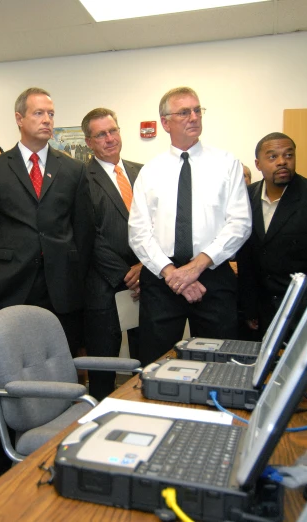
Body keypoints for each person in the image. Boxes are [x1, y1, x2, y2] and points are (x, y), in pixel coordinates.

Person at [0, 87, 94, 489]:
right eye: (38, 113)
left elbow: (83, 231)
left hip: (60, 287)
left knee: (59, 373)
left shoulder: (72, 169)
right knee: (6, 379)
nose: (47, 119)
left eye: (51, 113)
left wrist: (76, 276)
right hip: (10, 286)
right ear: (19, 118)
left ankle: (55, 450)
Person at [128, 86, 251, 367]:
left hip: (212, 274)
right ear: (165, 122)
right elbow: (138, 232)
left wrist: (196, 267)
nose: (194, 117)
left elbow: (240, 223)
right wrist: (172, 274)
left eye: (198, 110)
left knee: (219, 361)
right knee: (156, 363)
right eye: (184, 112)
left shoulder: (226, 164)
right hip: (162, 278)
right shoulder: (150, 172)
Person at [237, 132, 307, 334]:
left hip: (305, 312)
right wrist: (248, 307)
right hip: (260, 313)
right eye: (272, 157)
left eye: (289, 155)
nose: (282, 162)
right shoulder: (244, 198)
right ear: (258, 164)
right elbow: (245, 259)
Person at [81, 107, 142, 400]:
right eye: (100, 135)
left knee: (146, 363)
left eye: (113, 131)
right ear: (89, 142)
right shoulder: (81, 177)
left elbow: (159, 224)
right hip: (103, 288)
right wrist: (123, 274)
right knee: (103, 369)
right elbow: (88, 234)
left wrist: (145, 265)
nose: (109, 139)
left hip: (146, 282)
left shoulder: (142, 172)